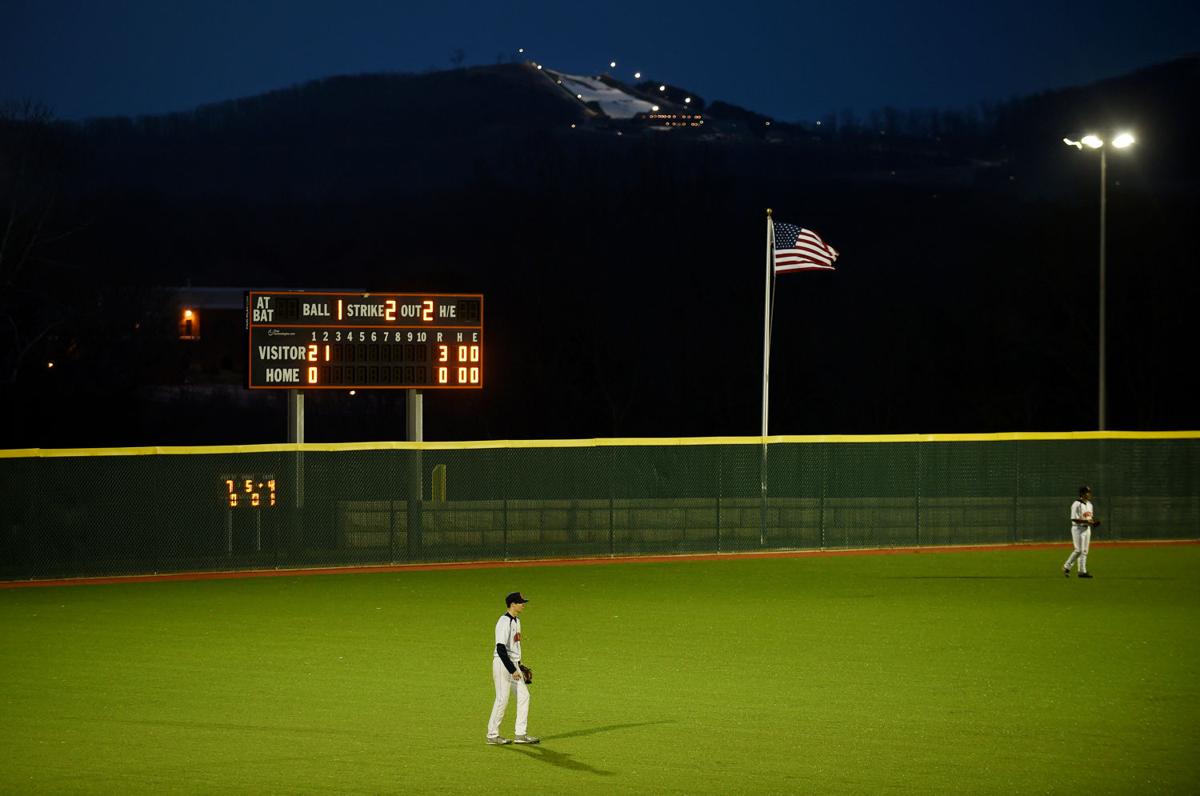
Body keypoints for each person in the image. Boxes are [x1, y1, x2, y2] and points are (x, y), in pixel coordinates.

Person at [486, 592, 540, 745]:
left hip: (514, 664)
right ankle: (492, 734)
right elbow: (501, 648)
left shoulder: (517, 621)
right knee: (502, 699)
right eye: (520, 602)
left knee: (524, 696)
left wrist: (519, 665)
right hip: (503, 664)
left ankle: (520, 734)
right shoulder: (504, 621)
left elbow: (515, 646)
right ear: (512, 604)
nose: (523, 604)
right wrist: (512, 669)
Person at [1063, 485, 1098, 578]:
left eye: (1089, 492)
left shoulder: (1090, 504)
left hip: (1087, 529)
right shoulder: (1076, 504)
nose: (1089, 494)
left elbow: (1089, 517)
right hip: (1077, 529)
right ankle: (1067, 566)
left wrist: (1094, 522)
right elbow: (1073, 519)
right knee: (1078, 550)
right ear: (1082, 493)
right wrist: (1087, 521)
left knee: (1085, 551)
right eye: (1087, 492)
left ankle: (1082, 572)